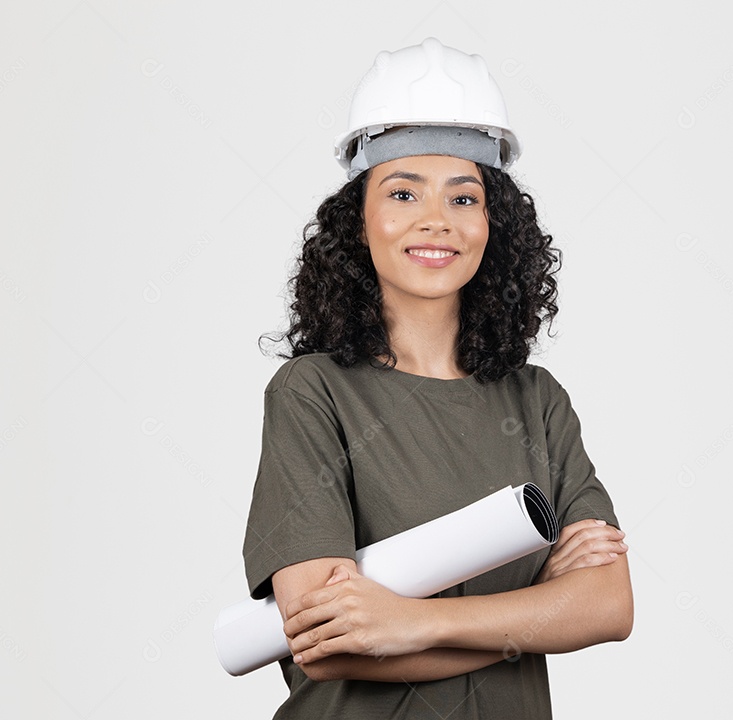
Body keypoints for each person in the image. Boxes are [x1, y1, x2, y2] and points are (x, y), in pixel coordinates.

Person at [242, 37, 633, 719]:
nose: (435, 221)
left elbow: (608, 605)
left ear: (494, 224)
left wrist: (412, 623)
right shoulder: (313, 393)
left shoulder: (537, 402)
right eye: (402, 192)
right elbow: (330, 644)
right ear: (358, 221)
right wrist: (537, 608)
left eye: (463, 197)